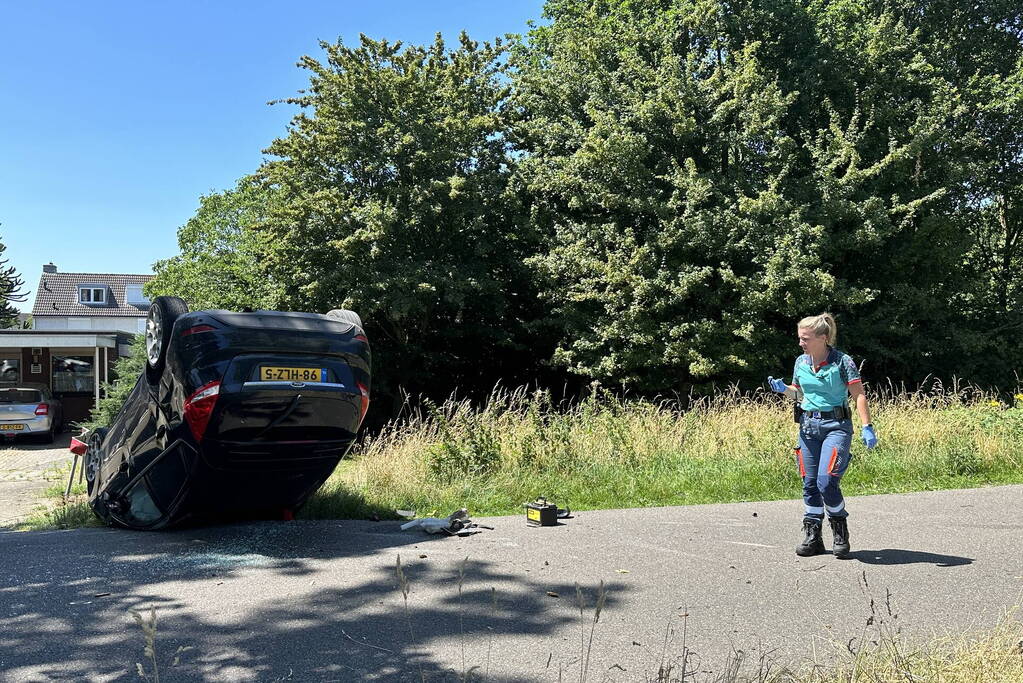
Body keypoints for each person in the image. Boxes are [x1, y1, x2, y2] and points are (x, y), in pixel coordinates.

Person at [767, 313, 877, 559]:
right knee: (809, 482)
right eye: (799, 338)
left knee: (826, 481)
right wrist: (784, 389)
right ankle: (813, 537)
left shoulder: (842, 362)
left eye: (805, 338)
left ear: (823, 338)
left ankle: (839, 529)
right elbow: (798, 393)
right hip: (808, 427)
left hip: (836, 426)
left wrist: (866, 426)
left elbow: (858, 394)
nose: (800, 343)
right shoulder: (801, 362)